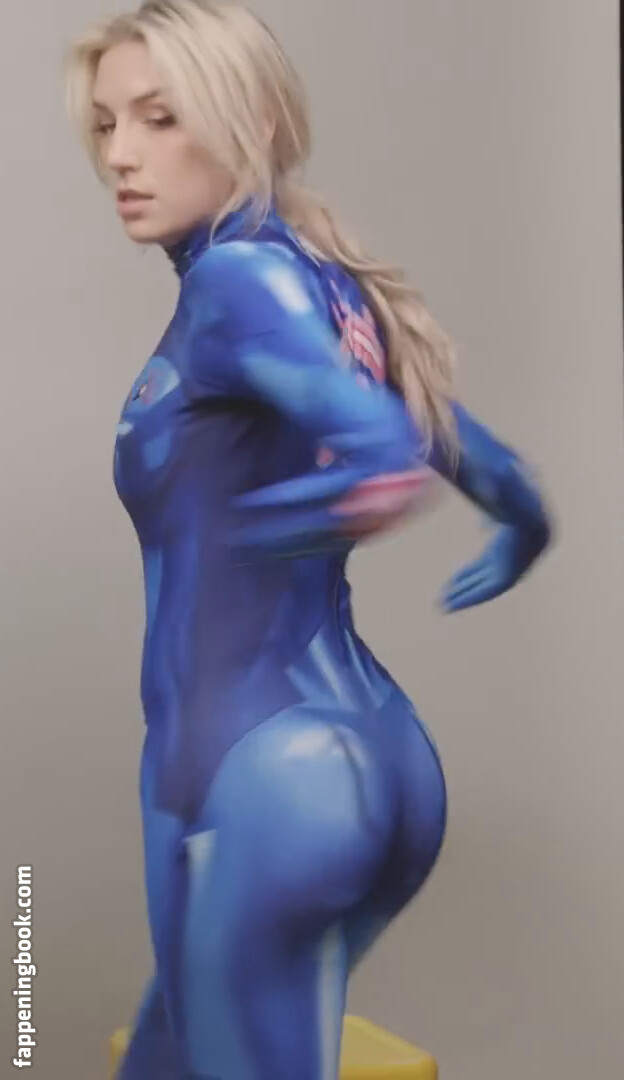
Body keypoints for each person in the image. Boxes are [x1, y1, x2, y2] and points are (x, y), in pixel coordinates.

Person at [64, 3, 552, 1078]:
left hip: (262, 776)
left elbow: (384, 445)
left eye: (159, 117)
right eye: (105, 124)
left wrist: (343, 496)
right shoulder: (319, 279)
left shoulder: (237, 281)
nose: (121, 155)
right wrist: (523, 523)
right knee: (166, 1062)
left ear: (253, 124)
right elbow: (483, 464)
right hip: (359, 757)